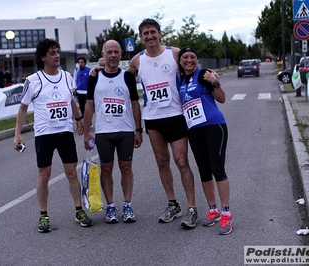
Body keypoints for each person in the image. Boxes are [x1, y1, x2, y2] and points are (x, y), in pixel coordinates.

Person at [13, 38, 93, 233]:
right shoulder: (33, 80)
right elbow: (23, 107)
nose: (57, 55)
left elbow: (71, 100)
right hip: (44, 134)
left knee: (72, 173)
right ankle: (43, 215)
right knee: (44, 176)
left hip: (64, 132)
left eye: (58, 51)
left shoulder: (67, 76)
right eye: (52, 53)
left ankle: (78, 210)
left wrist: (78, 118)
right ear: (43, 57)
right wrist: (17, 134)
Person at [127, 18, 197, 228]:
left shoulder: (173, 53)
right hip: (153, 119)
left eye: (152, 32)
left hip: (176, 116)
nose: (149, 36)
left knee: (181, 161)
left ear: (159, 33)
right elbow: (123, 78)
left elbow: (192, 68)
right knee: (161, 162)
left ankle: (192, 208)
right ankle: (172, 203)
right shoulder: (137, 60)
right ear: (140, 37)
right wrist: (98, 71)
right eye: (145, 33)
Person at [83, 40, 143, 224]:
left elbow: (134, 103)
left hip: (125, 130)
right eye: (109, 52)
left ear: (121, 53)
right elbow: (89, 104)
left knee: (126, 168)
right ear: (103, 54)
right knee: (106, 169)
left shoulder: (127, 77)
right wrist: (86, 132)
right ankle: (110, 206)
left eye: (116, 52)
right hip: (103, 131)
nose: (113, 55)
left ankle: (127, 205)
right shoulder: (94, 76)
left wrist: (138, 130)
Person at [177, 46, 232, 235]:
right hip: (194, 130)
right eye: (185, 57)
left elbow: (222, 99)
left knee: (217, 168)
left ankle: (226, 213)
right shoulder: (180, 80)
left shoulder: (204, 74)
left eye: (193, 57)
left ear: (196, 59)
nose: (189, 60)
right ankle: (213, 210)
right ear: (180, 61)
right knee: (204, 171)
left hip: (214, 126)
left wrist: (215, 83)